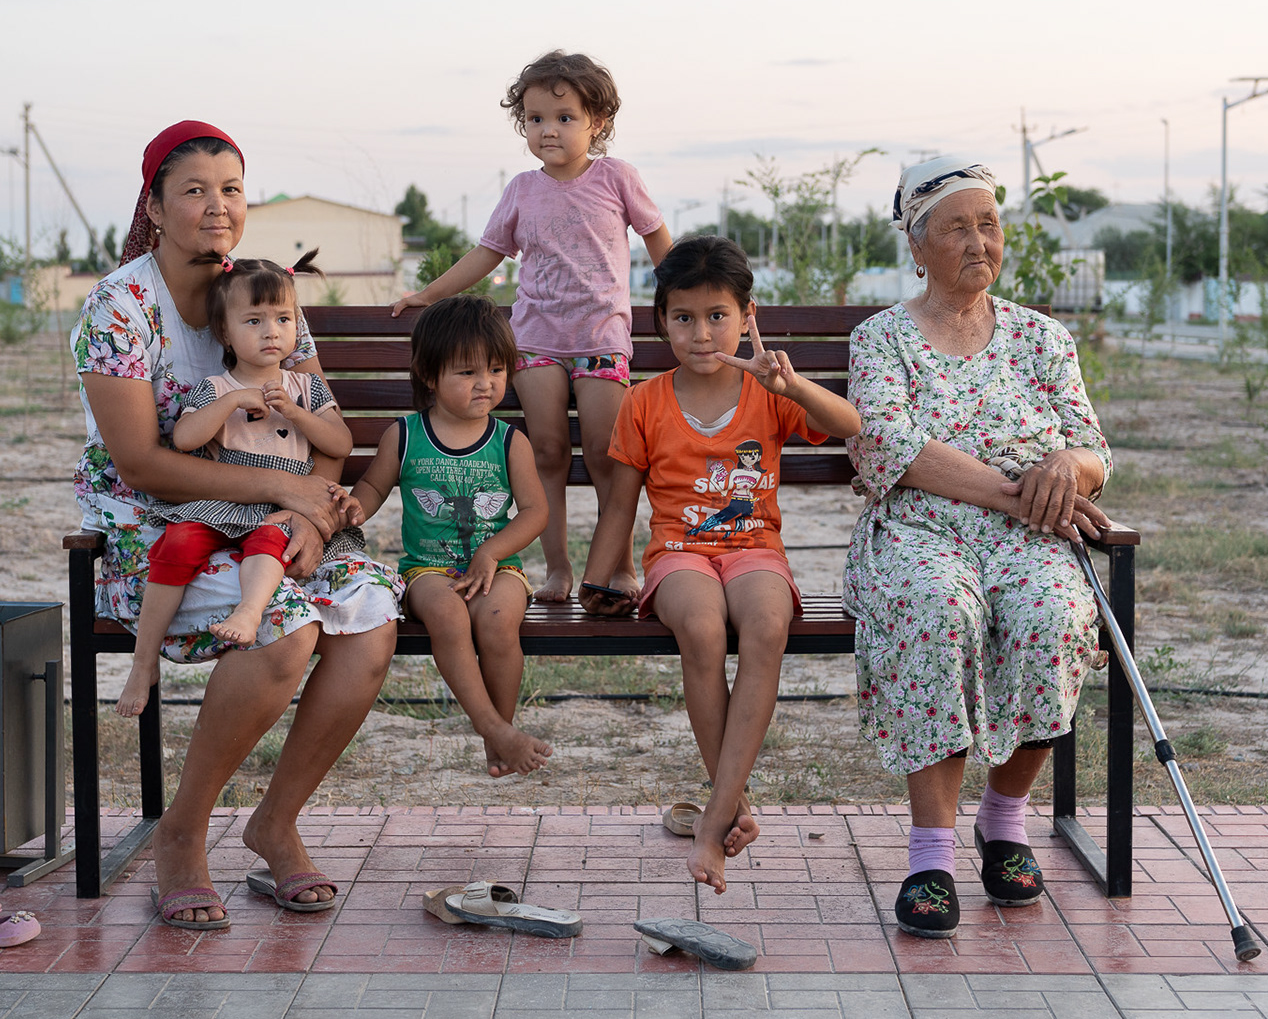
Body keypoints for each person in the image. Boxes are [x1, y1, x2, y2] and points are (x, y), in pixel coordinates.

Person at [73, 121, 403, 931]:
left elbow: (320, 425)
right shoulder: (122, 306)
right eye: (193, 191)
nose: (216, 207)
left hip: (273, 524)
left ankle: (275, 821)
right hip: (155, 534)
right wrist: (278, 491)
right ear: (153, 206)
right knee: (284, 631)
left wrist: (317, 523)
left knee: (370, 616)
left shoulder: (262, 293)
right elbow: (144, 464)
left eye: (231, 189)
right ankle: (182, 834)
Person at [843, 156, 1113, 940]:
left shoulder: (1042, 337)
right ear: (916, 245)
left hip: (1031, 534)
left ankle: (1004, 821)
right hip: (921, 528)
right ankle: (930, 855)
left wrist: (1069, 467)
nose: (978, 240)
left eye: (988, 224)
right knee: (935, 610)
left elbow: (1093, 449)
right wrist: (1020, 490)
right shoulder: (882, 339)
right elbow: (891, 449)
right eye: (956, 226)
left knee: (1056, 614)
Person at [579, 237, 861, 893]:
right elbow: (620, 504)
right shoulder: (644, 402)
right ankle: (728, 809)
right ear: (661, 322)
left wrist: (791, 383)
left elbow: (852, 424)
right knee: (702, 630)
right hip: (678, 554)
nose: (701, 333)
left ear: (747, 316)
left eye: (717, 316)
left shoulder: (768, 390)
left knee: (766, 625)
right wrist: (599, 578)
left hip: (755, 548)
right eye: (683, 318)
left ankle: (716, 816)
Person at [391, 50, 673, 602]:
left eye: (565, 118)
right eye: (536, 119)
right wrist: (428, 293)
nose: (549, 130)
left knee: (603, 454)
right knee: (545, 451)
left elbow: (659, 240)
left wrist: (680, 297)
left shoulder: (617, 178)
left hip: (601, 340)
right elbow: (488, 253)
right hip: (537, 340)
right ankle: (559, 569)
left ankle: (616, 567)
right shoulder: (523, 188)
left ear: (599, 123)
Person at [115, 257, 355, 718]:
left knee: (269, 544)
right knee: (177, 542)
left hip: (279, 513)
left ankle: (248, 612)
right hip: (224, 504)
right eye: (254, 321)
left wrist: (298, 413)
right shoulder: (216, 387)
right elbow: (184, 439)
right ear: (225, 333)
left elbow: (340, 440)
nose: (271, 332)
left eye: (283, 319)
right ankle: (143, 662)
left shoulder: (305, 387)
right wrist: (231, 403)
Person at [344, 295, 552, 777]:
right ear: (429, 374)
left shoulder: (508, 440)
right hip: (426, 570)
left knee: (499, 621)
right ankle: (496, 732)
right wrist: (357, 507)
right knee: (447, 616)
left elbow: (536, 512)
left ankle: (501, 730)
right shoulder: (407, 434)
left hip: (498, 567)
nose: (486, 384)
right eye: (467, 373)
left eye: (496, 370)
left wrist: (492, 552)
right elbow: (375, 485)